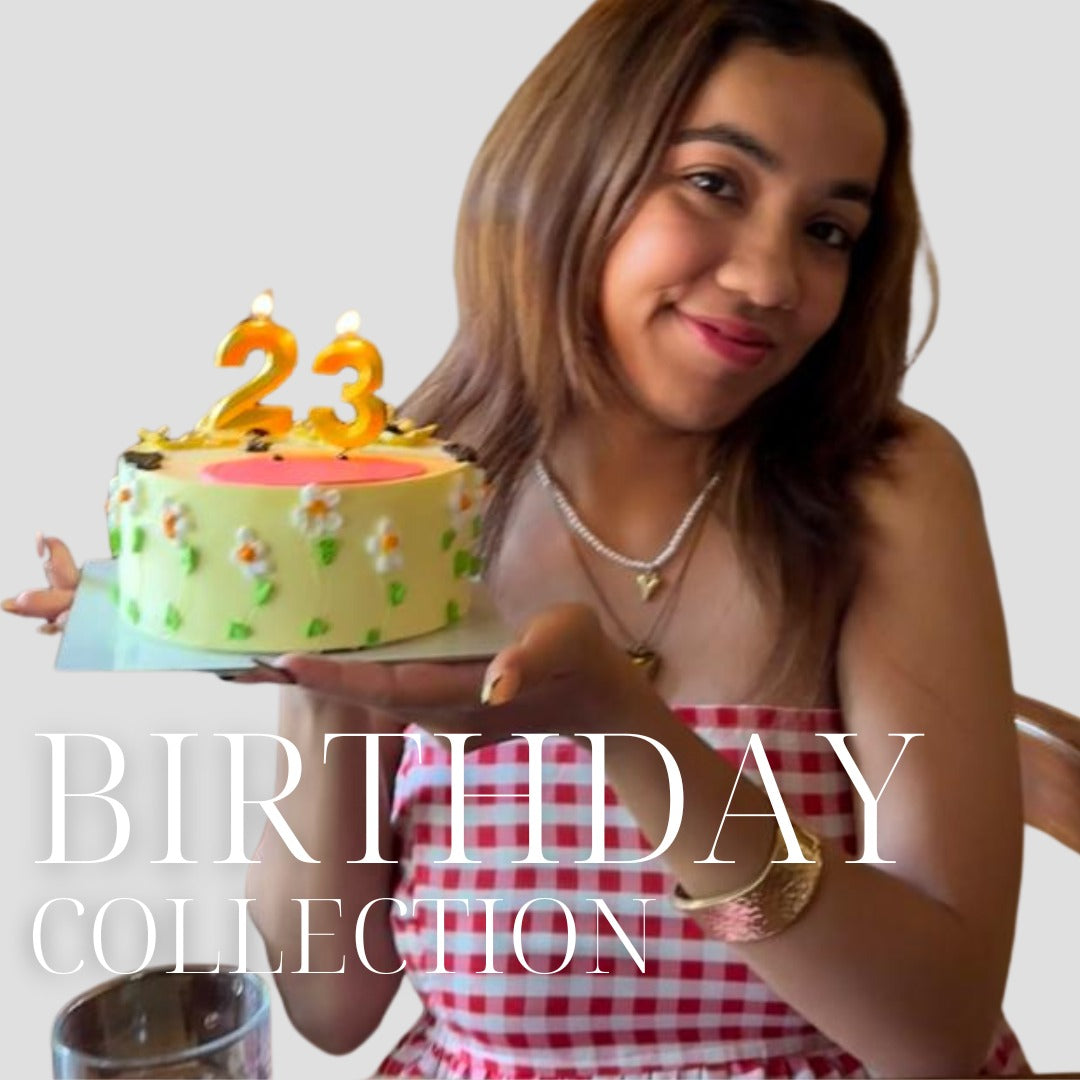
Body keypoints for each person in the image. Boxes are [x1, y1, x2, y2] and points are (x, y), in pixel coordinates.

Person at [6, 1, 1031, 1076]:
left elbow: (932, 1034)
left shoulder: (890, 489)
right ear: (573, 169)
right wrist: (316, 667)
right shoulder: (410, 503)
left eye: (828, 231)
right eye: (714, 183)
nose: (770, 280)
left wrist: (628, 732)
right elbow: (333, 1004)